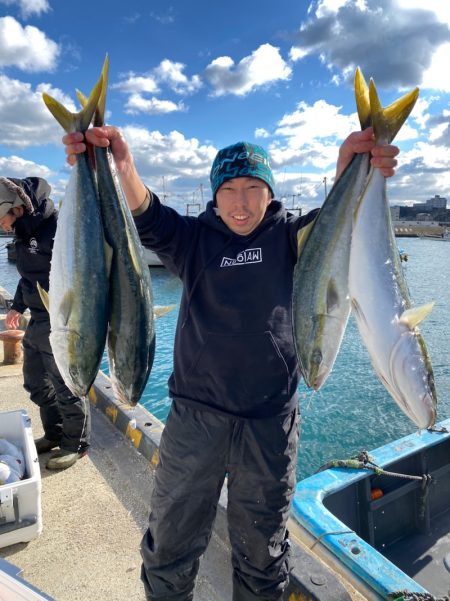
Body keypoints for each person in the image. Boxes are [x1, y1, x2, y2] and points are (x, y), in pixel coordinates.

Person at [63, 127, 399, 600]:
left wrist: (353, 167)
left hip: (269, 424)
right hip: (195, 419)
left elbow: (337, 226)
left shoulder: (291, 236)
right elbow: (148, 214)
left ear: (270, 193)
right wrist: (122, 165)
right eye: (228, 191)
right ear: (215, 196)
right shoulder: (193, 239)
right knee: (170, 541)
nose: (241, 204)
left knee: (263, 552)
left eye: (252, 190)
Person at [0, 177, 90, 470]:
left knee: (67, 387)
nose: (0, 225)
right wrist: (17, 306)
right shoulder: (22, 232)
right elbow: (28, 277)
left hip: (61, 321)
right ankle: (54, 434)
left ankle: (75, 444)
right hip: (37, 320)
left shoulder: (57, 229)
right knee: (35, 383)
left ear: (16, 207)